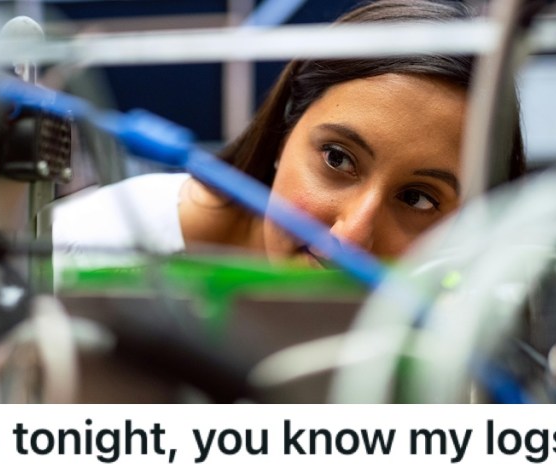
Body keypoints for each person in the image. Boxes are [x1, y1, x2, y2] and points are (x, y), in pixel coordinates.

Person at [52, 0, 525, 271]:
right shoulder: (82, 251)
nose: (350, 237)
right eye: (338, 160)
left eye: (418, 198)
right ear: (283, 133)